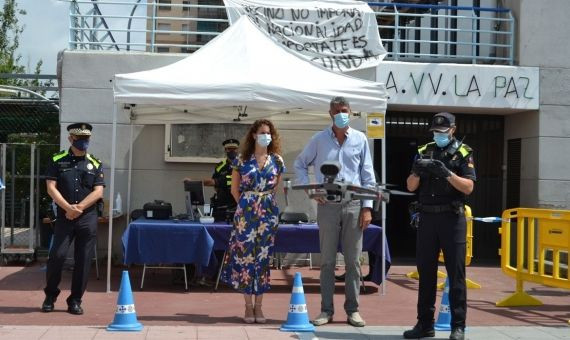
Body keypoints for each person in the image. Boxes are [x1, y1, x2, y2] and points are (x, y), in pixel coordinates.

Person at [294, 96, 376, 327]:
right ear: (330, 113)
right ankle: (326, 310)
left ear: (350, 112)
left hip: (353, 204)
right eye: (337, 110)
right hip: (327, 205)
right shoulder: (319, 140)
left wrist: (367, 207)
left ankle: (353, 310)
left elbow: (368, 176)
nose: (342, 114)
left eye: (345, 110)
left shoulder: (360, 139)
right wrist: (311, 191)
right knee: (328, 261)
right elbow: (300, 164)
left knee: (353, 261)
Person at [404, 112, 476, 340]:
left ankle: (458, 326)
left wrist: (446, 173)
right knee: (426, 273)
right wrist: (417, 170)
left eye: (443, 132)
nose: (439, 135)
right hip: (427, 219)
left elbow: (468, 187)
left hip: (452, 218)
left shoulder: (464, 152)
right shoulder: (424, 150)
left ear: (453, 130)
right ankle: (424, 324)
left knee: (456, 275)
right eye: (436, 131)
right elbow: (410, 187)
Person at [220, 119, 285, 324]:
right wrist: (248, 205)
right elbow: (234, 189)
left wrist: (262, 203)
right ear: (254, 135)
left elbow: (275, 188)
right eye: (262, 132)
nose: (266, 136)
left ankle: (260, 307)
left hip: (267, 213)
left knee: (263, 260)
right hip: (246, 213)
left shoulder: (277, 161)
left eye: (269, 133)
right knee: (246, 259)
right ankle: (248, 307)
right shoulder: (242, 159)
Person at [41, 123, 105, 315]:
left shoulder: (95, 163)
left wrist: (79, 208)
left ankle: (75, 300)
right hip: (64, 216)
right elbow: (51, 187)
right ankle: (50, 296)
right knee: (57, 256)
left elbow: (99, 191)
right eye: (79, 139)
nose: (83, 143)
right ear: (71, 139)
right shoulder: (57, 160)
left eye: (86, 139)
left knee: (83, 260)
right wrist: (68, 208)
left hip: (87, 218)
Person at [185, 138, 240, 222]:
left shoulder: (243, 165)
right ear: (225, 150)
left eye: (234, 149)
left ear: (238, 150)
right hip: (222, 206)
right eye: (229, 149)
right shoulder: (220, 166)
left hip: (238, 206)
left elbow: (213, 182)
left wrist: (192, 182)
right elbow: (214, 184)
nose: (232, 151)